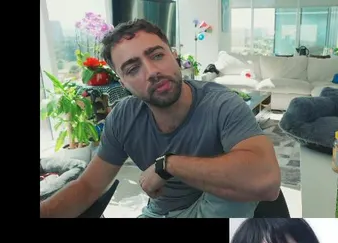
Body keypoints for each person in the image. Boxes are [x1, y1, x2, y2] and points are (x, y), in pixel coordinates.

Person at [40, 19, 280, 219]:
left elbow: (267, 182)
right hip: (159, 213)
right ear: (123, 83)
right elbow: (88, 186)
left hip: (215, 208)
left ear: (174, 56)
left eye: (157, 55)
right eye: (132, 69)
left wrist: (168, 165)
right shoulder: (124, 117)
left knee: (243, 182)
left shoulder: (222, 104)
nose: (152, 71)